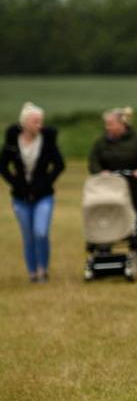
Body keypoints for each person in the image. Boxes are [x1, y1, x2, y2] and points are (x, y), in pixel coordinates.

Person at [0, 102, 65, 282]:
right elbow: (3, 166)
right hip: (20, 197)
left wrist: (45, 183)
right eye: (35, 122)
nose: (39, 125)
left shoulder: (47, 140)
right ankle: (32, 272)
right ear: (25, 122)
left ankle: (43, 269)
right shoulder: (13, 140)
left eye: (41, 121)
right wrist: (15, 183)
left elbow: (60, 165)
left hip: (44, 195)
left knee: (41, 232)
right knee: (28, 236)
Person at [88, 107, 137, 227]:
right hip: (109, 188)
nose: (107, 127)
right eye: (106, 124)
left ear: (121, 124)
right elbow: (93, 161)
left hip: (133, 186)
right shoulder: (101, 142)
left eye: (110, 124)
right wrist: (100, 173)